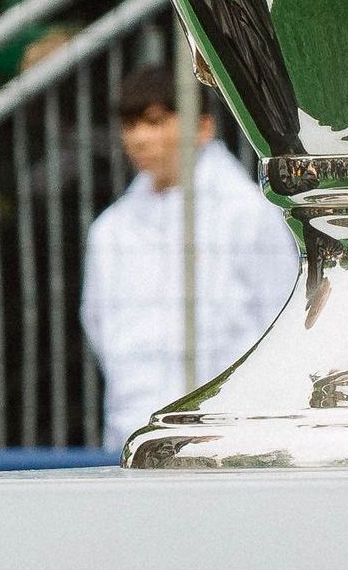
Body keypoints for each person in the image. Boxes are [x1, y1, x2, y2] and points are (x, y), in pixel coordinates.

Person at [82, 63, 294, 441]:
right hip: (132, 429)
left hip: (232, 431)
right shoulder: (110, 228)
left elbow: (282, 320)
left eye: (155, 121)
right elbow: (99, 326)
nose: (139, 138)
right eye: (130, 125)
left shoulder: (247, 212)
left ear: (203, 127)